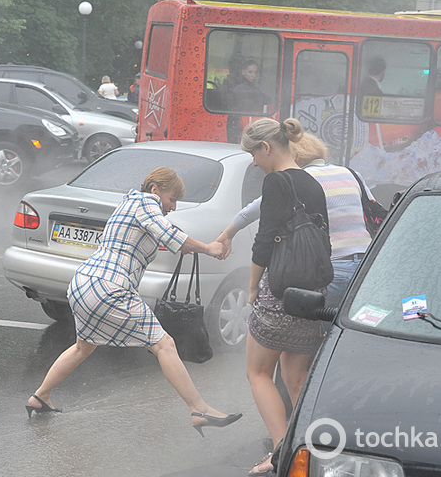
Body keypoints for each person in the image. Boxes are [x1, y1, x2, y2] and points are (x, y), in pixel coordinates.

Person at [26, 167, 242, 436]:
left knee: (84, 347)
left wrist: (213, 241)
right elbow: (169, 235)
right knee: (165, 344)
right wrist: (210, 248)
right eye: (172, 199)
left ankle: (41, 396)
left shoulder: (131, 206)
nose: (173, 206)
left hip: (84, 283)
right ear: (155, 190)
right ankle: (199, 409)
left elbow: (172, 235)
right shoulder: (144, 202)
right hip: (109, 288)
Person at [237, 118, 328, 475]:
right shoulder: (313, 182)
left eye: (254, 155)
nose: (254, 163)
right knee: (297, 377)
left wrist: (252, 286)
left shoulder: (275, 181)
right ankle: (313, 449)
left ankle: (280, 452)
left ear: (267, 148)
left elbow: (265, 240)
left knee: (258, 371)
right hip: (310, 293)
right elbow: (324, 241)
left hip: (280, 292)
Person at [218, 132, 374, 307]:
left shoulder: (301, 179)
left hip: (331, 267)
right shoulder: (352, 174)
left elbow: (251, 212)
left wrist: (227, 234)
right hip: (365, 266)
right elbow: (374, 209)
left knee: (324, 329)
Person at [226, 60, 271, 143]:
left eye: (256, 72)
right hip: (240, 123)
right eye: (250, 72)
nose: (253, 75)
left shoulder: (250, 87)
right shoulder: (244, 89)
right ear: (243, 72)